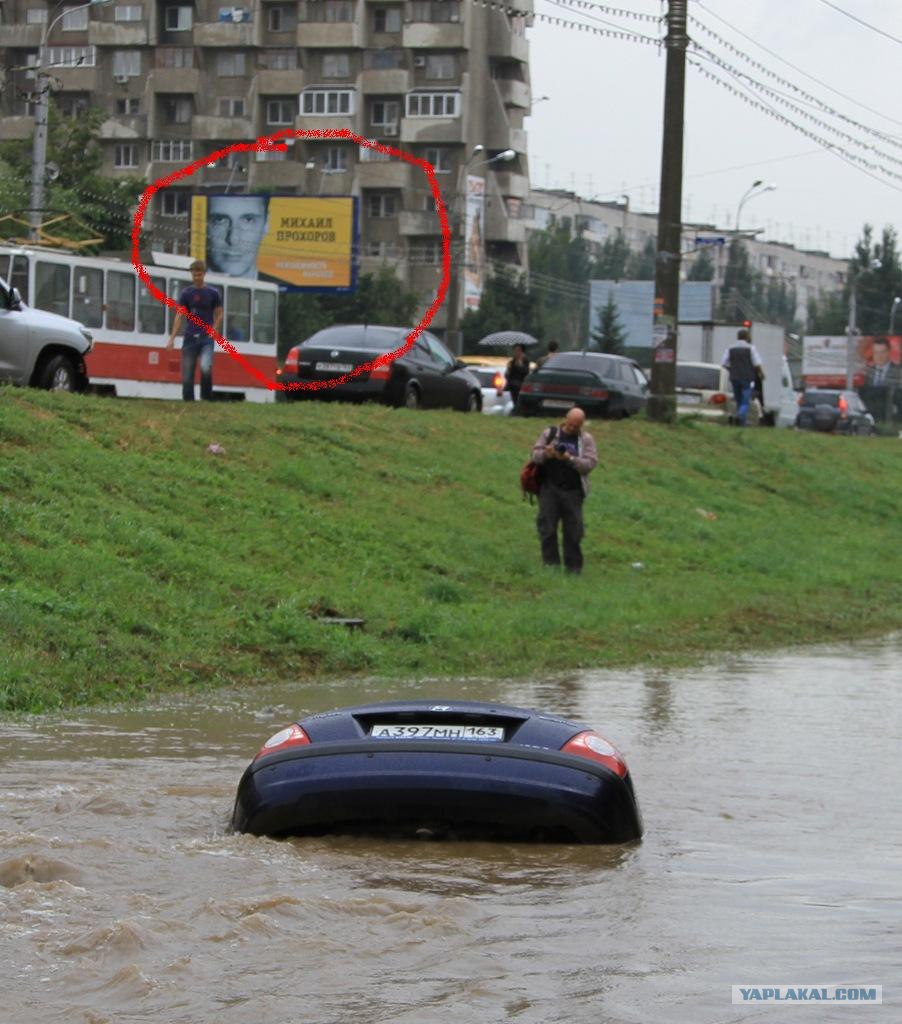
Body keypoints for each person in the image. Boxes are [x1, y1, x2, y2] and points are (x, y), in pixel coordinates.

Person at [530, 407, 598, 574]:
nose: (573, 428)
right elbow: (534, 456)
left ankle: (573, 569)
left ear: (582, 425)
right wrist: (547, 454)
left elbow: (590, 464)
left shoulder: (586, 439)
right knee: (547, 528)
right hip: (550, 488)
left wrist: (570, 459)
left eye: (577, 426)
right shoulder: (550, 433)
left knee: (573, 531)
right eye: (570, 425)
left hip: (573, 491)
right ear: (565, 420)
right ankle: (551, 566)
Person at [166, 260, 223, 402]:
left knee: (205, 367)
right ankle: (188, 401)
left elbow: (219, 313)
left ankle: (206, 398)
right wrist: (172, 338)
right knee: (187, 372)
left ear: (204, 274)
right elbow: (179, 316)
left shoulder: (213, 293)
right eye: (194, 275)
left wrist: (215, 327)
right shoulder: (186, 293)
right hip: (190, 336)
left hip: (206, 338)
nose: (196, 278)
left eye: (199, 275)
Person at [205, 194, 269, 279]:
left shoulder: (284, 289)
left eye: (248, 220)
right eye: (220, 220)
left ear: (266, 225)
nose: (233, 239)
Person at [721, 328, 763, 426]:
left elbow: (723, 363)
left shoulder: (730, 348)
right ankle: (740, 415)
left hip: (734, 377)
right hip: (746, 378)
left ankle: (742, 422)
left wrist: (731, 369)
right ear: (747, 337)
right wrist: (761, 373)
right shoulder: (751, 348)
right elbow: (756, 363)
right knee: (745, 400)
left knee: (738, 399)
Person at [505, 342, 531, 411]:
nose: (516, 352)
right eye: (515, 351)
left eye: (518, 350)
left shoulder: (525, 361)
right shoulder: (512, 361)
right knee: (514, 400)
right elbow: (508, 375)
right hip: (513, 385)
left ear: (522, 351)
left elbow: (526, 372)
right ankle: (516, 410)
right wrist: (508, 369)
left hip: (521, 385)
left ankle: (518, 411)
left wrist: (520, 364)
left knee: (519, 401)